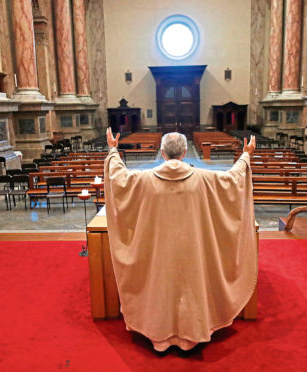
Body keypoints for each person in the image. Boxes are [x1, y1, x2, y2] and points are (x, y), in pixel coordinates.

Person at [103, 128, 257, 352]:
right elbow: (233, 179)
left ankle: (159, 333)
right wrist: (246, 155)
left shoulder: (143, 180)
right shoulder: (205, 179)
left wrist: (113, 150)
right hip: (192, 252)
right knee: (191, 283)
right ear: (184, 152)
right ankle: (194, 332)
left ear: (163, 153)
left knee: (161, 284)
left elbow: (119, 177)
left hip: (158, 253)